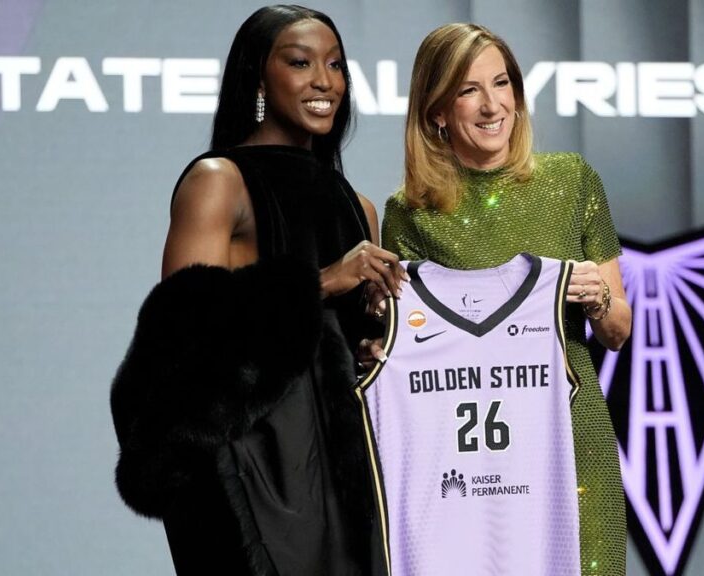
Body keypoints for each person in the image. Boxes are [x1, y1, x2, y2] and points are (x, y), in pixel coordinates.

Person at [110, 5, 400, 575]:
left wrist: (375, 337)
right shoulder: (219, 179)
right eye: (300, 62)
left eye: (336, 65)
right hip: (251, 455)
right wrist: (323, 281)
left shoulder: (358, 205)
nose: (324, 81)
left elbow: (354, 346)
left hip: (343, 464)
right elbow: (181, 330)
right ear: (259, 78)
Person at [380, 23, 632, 576]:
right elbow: (404, 342)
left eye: (502, 84)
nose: (493, 105)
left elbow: (618, 331)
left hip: (571, 449)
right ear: (437, 111)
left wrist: (596, 299)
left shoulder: (572, 181)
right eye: (469, 89)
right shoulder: (408, 213)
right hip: (467, 468)